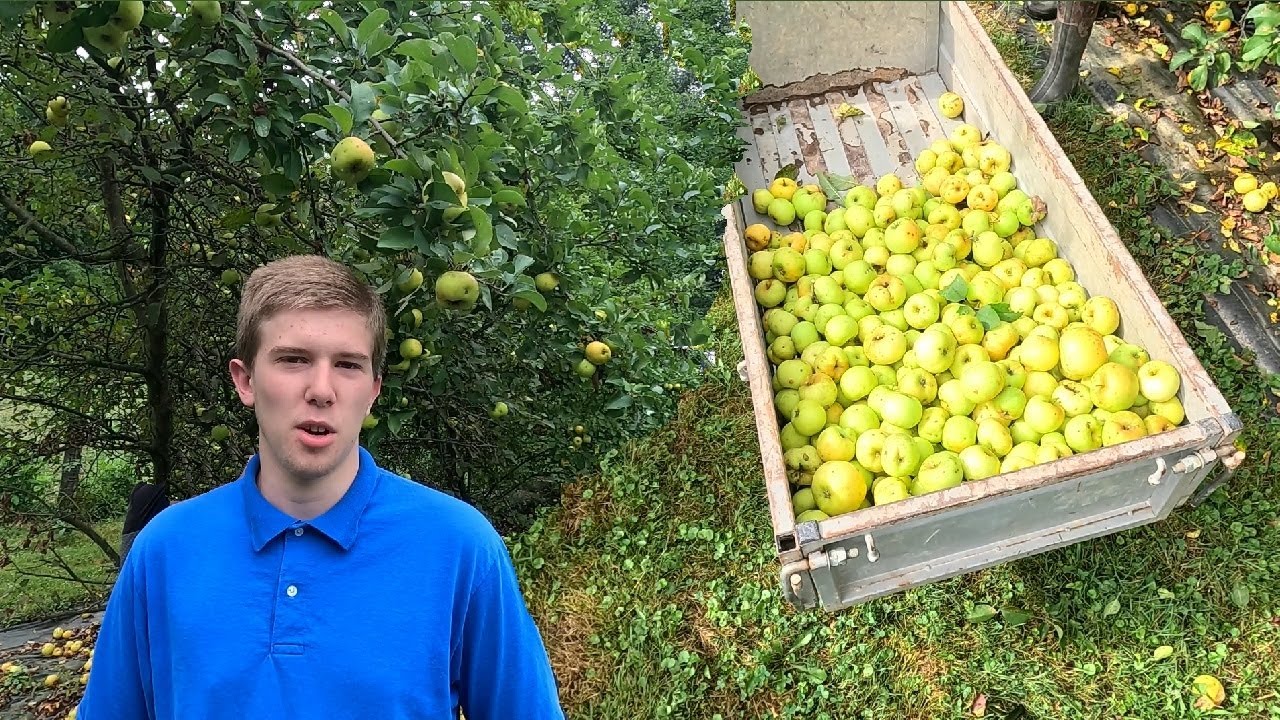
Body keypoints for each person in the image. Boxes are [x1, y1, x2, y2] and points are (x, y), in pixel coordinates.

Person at [78, 255, 565, 719]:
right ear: (245, 381)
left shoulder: (459, 547)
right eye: (293, 359)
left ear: (374, 390)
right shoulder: (164, 550)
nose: (322, 389)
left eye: (349, 365)